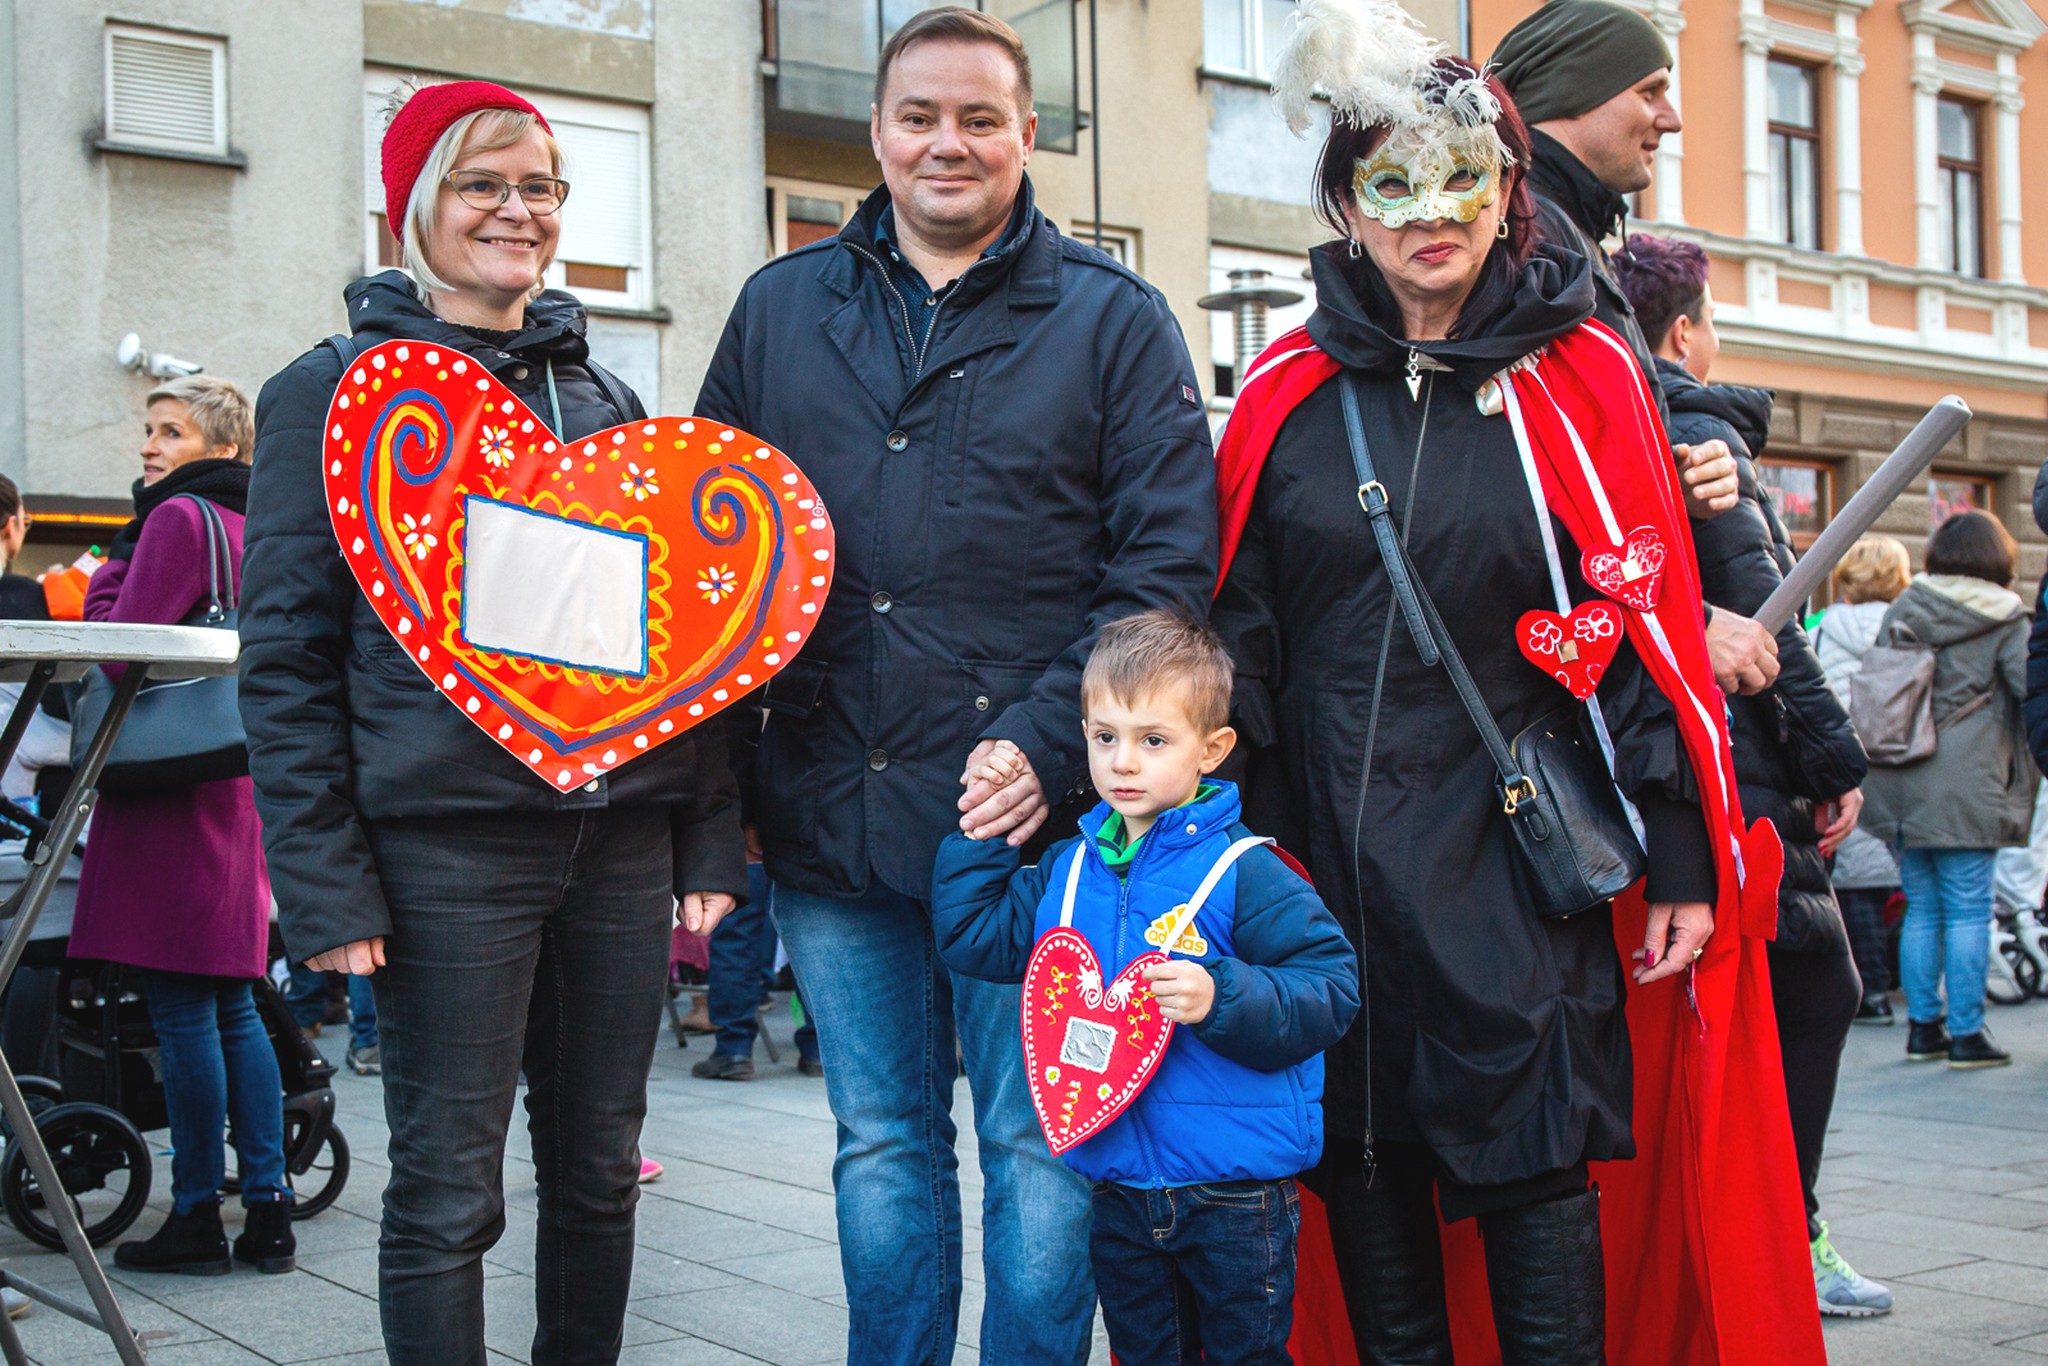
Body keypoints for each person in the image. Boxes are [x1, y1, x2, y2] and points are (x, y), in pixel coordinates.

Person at [1212, 5, 1823, 1360]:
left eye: (1460, 181)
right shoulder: (1282, 392)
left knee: (1531, 1158)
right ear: (1346, 205)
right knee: (1361, 1161)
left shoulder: (1586, 371)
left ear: (1506, 192)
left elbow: (1643, 626)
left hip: (1513, 869)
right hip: (1323, 865)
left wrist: (1682, 848)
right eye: (1391, 184)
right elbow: (1238, 643)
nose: (1429, 215)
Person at [693, 10, 1217, 1360]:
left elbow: (1160, 578)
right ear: (877, 132)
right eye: (920, 116)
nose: (948, 143)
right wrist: (720, 791)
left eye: (979, 118)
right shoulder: (779, 309)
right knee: (879, 1139)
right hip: (829, 804)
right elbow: (707, 562)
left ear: (1025, 136)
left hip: (1034, 835)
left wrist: (1046, 743)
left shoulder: (1112, 320)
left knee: (1041, 1138)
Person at [239, 80, 746, 1363]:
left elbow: (675, 652)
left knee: (598, 1174)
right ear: (411, 206)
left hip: (616, 845)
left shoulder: (607, 403)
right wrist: (323, 882)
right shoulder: (329, 392)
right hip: (443, 856)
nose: (516, 211)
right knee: (446, 1193)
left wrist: (702, 835)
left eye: (540, 187)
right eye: (481, 183)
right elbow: (286, 658)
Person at [929, 610, 1358, 1362]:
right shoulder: (1069, 870)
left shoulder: (1246, 870)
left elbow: (1330, 988)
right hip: (1119, 1187)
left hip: (1236, 1191)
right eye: (1106, 737)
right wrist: (980, 831)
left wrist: (1220, 996)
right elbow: (975, 935)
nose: (1123, 762)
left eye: (1153, 740)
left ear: (1212, 749)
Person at [1614, 232, 1888, 1319]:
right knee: (1813, 987)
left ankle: (1752, 1227)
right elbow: (1763, 621)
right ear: (1683, 331)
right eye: (1714, 321)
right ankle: (1786, 1227)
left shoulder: (1637, 424)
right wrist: (1833, 760)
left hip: (1680, 764)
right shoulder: (1693, 427)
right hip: (1738, 768)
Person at [1491, 0, 1786, 703]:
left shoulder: (1566, 233)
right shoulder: (1532, 240)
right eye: (1650, 91)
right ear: (1574, 91)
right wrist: (1692, 621)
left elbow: (1581, 468)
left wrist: (1669, 489)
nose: (1671, 118)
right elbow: (1511, 494)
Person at [63, 376, 294, 1277]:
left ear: (222, 446)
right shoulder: (250, 522)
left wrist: (104, 576)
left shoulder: (172, 520)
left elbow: (118, 649)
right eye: (150, 429)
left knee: (181, 1010)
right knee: (232, 1003)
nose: (150, 447)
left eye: (171, 431)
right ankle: (267, 1206)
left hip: (163, 788)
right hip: (226, 782)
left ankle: (197, 1213)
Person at [1863, 510, 2038, 1070]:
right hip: (1969, 784)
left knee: (1922, 907)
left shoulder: (1905, 607)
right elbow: (2029, 689)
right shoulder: (2006, 618)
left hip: (1900, 779)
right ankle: (1967, 1032)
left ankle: (1924, 1028)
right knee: (1968, 910)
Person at [1815, 536, 1915, 1023]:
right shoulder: (1912, 627)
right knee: (1914, 881)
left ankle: (1870, 991)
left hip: (1844, 761)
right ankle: (1913, 989)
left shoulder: (1821, 630)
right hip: (1906, 759)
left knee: (1854, 879)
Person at [691, 863, 821, 1080]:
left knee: (736, 930)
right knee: (811, 924)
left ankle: (734, 1049)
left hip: (746, 848)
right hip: (803, 845)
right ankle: (819, 1047)